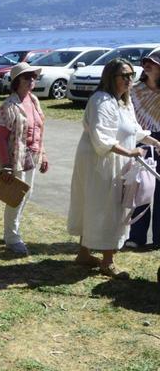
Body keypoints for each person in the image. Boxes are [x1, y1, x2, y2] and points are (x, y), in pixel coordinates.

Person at [68, 59, 160, 279]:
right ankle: (107, 261)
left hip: (114, 162)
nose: (129, 80)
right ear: (111, 77)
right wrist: (130, 153)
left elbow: (134, 130)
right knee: (106, 207)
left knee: (101, 205)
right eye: (124, 76)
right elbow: (102, 137)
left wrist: (155, 143)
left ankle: (84, 253)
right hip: (100, 164)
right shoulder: (101, 100)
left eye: (131, 75)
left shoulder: (122, 102)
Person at [0, 62, 49, 256]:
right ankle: (12, 237)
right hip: (15, 157)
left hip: (32, 155)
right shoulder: (9, 105)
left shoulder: (33, 100)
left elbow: (39, 130)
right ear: (16, 81)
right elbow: (0, 137)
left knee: (27, 195)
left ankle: (11, 230)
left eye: (34, 76)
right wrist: (6, 164)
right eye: (27, 77)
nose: (32, 80)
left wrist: (44, 154)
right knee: (16, 196)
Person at [126, 53, 160, 249]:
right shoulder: (134, 90)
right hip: (141, 139)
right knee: (140, 188)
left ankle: (159, 239)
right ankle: (136, 237)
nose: (147, 65)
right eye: (145, 62)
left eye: (152, 63)